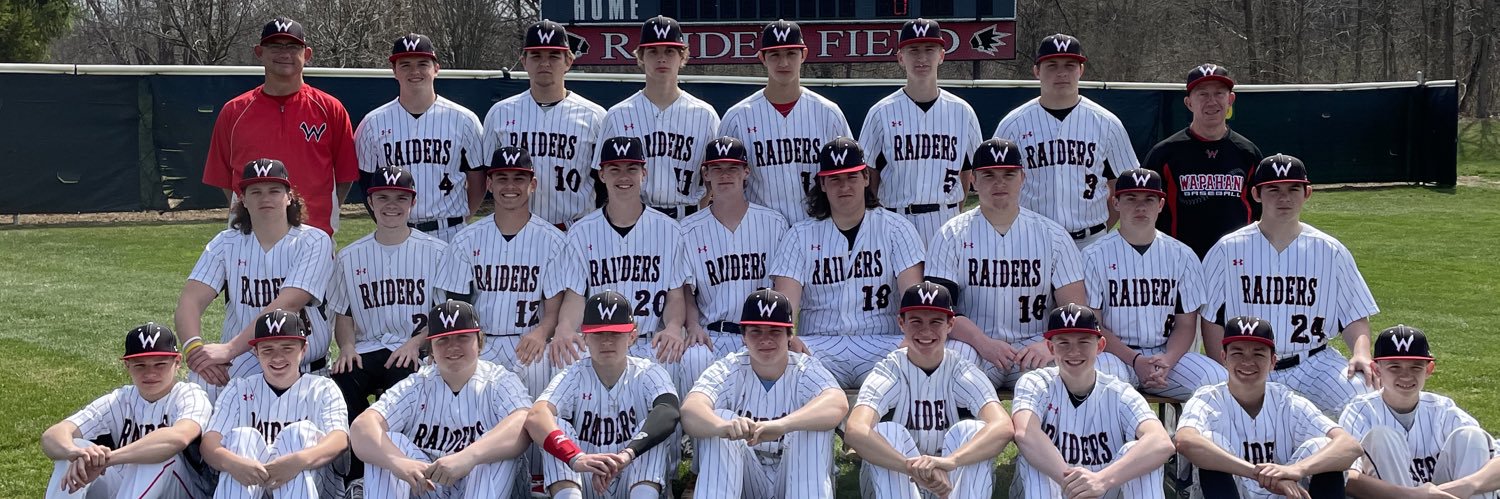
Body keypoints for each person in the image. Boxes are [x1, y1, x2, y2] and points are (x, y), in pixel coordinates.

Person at [926, 138, 1124, 388]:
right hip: (975, 345)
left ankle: (1062, 428)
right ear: (973, 180)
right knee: (949, 364)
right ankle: (968, 428)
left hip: (1034, 346)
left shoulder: (1053, 236)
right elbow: (940, 311)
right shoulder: (950, 234)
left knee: (1073, 366)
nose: (999, 183)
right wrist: (982, 343)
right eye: (989, 175)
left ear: (1022, 178)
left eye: (1008, 175)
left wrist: (1048, 345)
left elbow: (1074, 308)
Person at [1200, 153, 1380, 415]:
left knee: (1364, 398)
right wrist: (1224, 365)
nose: (1284, 197)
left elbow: (1354, 315)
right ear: (1256, 194)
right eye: (1273, 189)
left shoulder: (1330, 250)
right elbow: (1211, 319)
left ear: (1307, 192)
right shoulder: (1227, 249)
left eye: (1293, 188)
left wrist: (1361, 353)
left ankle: (1357, 458)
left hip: (1314, 363)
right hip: (1249, 364)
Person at [553, 136, 709, 397]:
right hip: (602, 341)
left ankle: (677, 435)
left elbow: (675, 295)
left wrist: (672, 326)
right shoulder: (581, 232)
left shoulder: (669, 230)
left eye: (631, 169)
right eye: (614, 169)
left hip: (651, 339)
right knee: (563, 354)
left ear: (643, 173)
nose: (623, 177)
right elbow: (576, 295)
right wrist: (565, 328)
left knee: (679, 362)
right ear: (602, 174)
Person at [769, 137, 928, 388]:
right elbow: (784, 305)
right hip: (820, 343)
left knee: (922, 354)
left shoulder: (897, 229)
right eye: (835, 179)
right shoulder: (800, 235)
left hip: (882, 340)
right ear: (822, 183)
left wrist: (913, 339)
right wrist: (787, 337)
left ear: (866, 178)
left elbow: (913, 299)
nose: (844, 186)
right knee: (779, 356)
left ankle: (894, 429)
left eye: (851, 177)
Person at [326, 164, 446, 492]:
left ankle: (402, 471)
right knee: (339, 384)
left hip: (412, 350)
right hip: (366, 348)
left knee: (408, 389)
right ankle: (357, 476)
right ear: (371, 201)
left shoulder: (436, 252)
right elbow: (345, 314)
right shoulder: (350, 256)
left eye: (400, 197)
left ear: (412, 202)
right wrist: (347, 347)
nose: (391, 205)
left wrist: (417, 344)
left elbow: (442, 313)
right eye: (383, 197)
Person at [174, 159, 334, 401]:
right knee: (199, 387)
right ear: (243, 200)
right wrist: (196, 351)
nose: (265, 198)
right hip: (242, 360)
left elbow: (289, 302)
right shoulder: (226, 243)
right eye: (255, 192)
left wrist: (228, 349)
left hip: (302, 363)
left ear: (289, 196)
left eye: (274, 190)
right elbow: (190, 300)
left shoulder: (313, 241)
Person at [348, 300, 533, 499]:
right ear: (431, 348)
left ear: (479, 342)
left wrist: (468, 456)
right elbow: (362, 427)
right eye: (442, 340)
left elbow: (523, 422)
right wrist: (399, 462)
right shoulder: (417, 383)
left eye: (462, 337)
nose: (452, 346)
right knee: (391, 444)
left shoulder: (500, 380)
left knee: (493, 450)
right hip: (429, 485)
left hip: (483, 484)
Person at [844, 282, 1012, 499]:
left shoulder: (961, 370)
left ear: (950, 324)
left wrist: (951, 461)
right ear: (901, 323)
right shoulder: (890, 370)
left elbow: (1003, 426)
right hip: (898, 477)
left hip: (950, 480)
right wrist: (911, 467)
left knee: (973, 429)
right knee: (887, 432)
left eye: (935, 322)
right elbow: (855, 429)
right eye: (916, 321)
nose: (926, 331)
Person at [680, 288, 846, 498]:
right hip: (746, 476)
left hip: (794, 474)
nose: (765, 339)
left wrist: (783, 425)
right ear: (743, 336)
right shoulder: (730, 368)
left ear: (790, 335)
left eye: (775, 331)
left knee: (811, 428)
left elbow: (838, 403)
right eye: (756, 331)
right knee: (721, 418)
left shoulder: (806, 368)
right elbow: (690, 410)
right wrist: (723, 427)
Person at [1175, 315, 1362, 499]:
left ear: (1273, 361)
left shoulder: (1286, 401)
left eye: (1258, 353)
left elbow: (1349, 445)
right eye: (1237, 353)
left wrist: (1296, 470)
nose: (1247, 361)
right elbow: (1185, 441)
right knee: (1211, 441)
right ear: (1224, 358)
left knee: (1323, 446)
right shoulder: (1208, 398)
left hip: (1287, 492)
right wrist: (1261, 474)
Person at [202, 16, 358, 236]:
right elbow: (225, 179)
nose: (284, 54)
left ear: (308, 54)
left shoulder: (330, 108)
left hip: (314, 237)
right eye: (275, 46)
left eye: (293, 46)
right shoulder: (234, 111)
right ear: (259, 52)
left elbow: (344, 177)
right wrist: (254, 212)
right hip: (249, 238)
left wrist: (322, 216)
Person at [437, 147, 570, 397]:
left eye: (518, 178)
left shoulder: (552, 240)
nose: (510, 186)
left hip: (530, 339)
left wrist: (541, 333)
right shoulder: (466, 239)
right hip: (481, 340)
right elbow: (456, 306)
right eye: (502, 178)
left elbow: (554, 311)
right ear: (489, 183)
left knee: (538, 386)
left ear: (533, 184)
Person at [1083, 168, 1226, 399]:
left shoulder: (1183, 255)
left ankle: (1188, 435)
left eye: (1149, 199)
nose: (1141, 207)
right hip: (1113, 354)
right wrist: (1136, 360)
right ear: (1115, 203)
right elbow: (1094, 327)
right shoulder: (1093, 255)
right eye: (1131, 198)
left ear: (1160, 204)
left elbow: (1186, 325)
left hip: (1166, 356)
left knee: (1217, 382)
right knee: (1103, 382)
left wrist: (1168, 360)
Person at [1009, 303, 1175, 498]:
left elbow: (1162, 442)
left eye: (1084, 342)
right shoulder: (1035, 382)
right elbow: (1024, 434)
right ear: (1050, 348)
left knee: (1140, 452)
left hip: (1102, 489)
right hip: (1051, 488)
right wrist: (1073, 484)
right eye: (1063, 343)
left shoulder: (1119, 392)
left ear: (1100, 346)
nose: (1073, 351)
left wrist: (1101, 480)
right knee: (1037, 456)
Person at [527, 291, 681, 499]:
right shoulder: (574, 375)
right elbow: (536, 416)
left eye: (615, 333)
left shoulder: (648, 372)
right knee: (556, 427)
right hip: (586, 474)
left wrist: (628, 453)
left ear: (632, 336)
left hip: (633, 477)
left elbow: (668, 411)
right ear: (585, 337)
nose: (607, 341)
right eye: (599, 333)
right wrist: (576, 458)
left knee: (652, 432)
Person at [991, 33, 1139, 249]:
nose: (1061, 73)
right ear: (1036, 71)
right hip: (1030, 241)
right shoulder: (1012, 125)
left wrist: (1100, 228)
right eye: (1052, 65)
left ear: (1081, 70)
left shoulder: (1107, 123)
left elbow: (1126, 187)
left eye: (1070, 65)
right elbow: (992, 185)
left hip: (1091, 241)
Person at [41, 323, 212, 499]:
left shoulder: (189, 395)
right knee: (79, 449)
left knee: (157, 457)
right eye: (140, 365)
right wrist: (73, 452)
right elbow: (52, 435)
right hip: (127, 489)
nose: (150, 373)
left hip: (183, 491)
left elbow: (178, 437)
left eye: (160, 364)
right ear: (127, 366)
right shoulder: (120, 399)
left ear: (177, 362)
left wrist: (106, 460)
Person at [857, 18, 983, 244]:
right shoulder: (880, 113)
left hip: (947, 220)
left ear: (942, 55)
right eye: (913, 50)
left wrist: (953, 207)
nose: (922, 58)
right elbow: (869, 175)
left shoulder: (963, 111)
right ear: (900, 58)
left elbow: (968, 170)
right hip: (895, 220)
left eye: (930, 49)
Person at [201, 310, 349, 499]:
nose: (277, 357)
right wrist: (233, 463)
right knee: (243, 436)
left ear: (303, 349)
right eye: (268, 349)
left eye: (287, 348)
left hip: (310, 481)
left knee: (298, 434)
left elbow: (339, 439)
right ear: (256, 352)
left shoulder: (322, 388)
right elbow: (209, 444)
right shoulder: (239, 388)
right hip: (251, 481)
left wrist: (299, 461)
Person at [353, 33, 486, 242]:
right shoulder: (372, 124)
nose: (414, 71)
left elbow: (479, 181)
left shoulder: (465, 120)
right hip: (397, 231)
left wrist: (460, 219)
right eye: (405, 64)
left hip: (450, 231)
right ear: (394, 71)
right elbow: (366, 186)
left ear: (436, 69)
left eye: (423, 63)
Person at [1341, 325, 1500, 498]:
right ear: (1377, 370)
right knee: (1380, 437)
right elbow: (1345, 476)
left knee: (1471, 436)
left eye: (1415, 367)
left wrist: (1467, 485)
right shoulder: (1360, 412)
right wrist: (1411, 495)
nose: (1406, 375)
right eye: (1395, 367)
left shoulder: (1443, 409)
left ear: (1429, 369)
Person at [719, 19, 852, 224]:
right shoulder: (737, 117)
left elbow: (850, 176)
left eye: (791, 53)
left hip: (820, 228)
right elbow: (723, 183)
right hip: (759, 232)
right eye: (775, 55)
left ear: (804, 54)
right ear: (762, 57)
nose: (784, 63)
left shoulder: (828, 113)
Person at [481, 20, 605, 230]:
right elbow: (487, 176)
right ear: (524, 61)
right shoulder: (500, 113)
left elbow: (605, 183)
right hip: (517, 230)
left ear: (568, 61)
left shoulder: (595, 116)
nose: (544, 63)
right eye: (536, 55)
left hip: (576, 230)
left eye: (554, 56)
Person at [595, 16, 720, 221]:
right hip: (634, 220)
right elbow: (601, 179)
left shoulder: (705, 115)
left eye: (669, 51)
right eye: (653, 51)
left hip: (689, 219)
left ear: (682, 58)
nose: (661, 58)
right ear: (641, 57)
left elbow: (714, 178)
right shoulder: (618, 115)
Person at [681, 136, 790, 355]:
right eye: (717, 168)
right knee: (694, 357)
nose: (725, 174)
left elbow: (784, 285)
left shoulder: (774, 223)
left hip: (761, 332)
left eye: (733, 167)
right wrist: (693, 326)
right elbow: (686, 291)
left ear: (746, 172)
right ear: (706, 174)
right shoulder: (686, 229)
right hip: (712, 334)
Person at [1142, 64, 1264, 258]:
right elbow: (1146, 212)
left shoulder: (1247, 152)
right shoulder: (1165, 153)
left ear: (1231, 99)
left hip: (1237, 261)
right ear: (1188, 102)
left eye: (1219, 93)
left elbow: (1261, 215)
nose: (1212, 101)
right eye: (1203, 94)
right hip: (1179, 261)